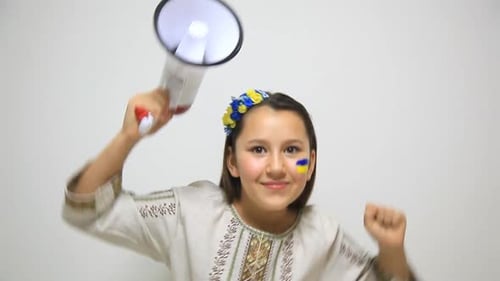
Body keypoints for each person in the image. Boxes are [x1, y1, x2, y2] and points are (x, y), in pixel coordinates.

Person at [62, 88, 417, 280]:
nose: (277, 167)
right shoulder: (189, 213)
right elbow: (88, 210)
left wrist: (391, 249)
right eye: (259, 149)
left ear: (311, 166)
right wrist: (129, 136)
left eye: (293, 150)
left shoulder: (323, 236)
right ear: (232, 161)